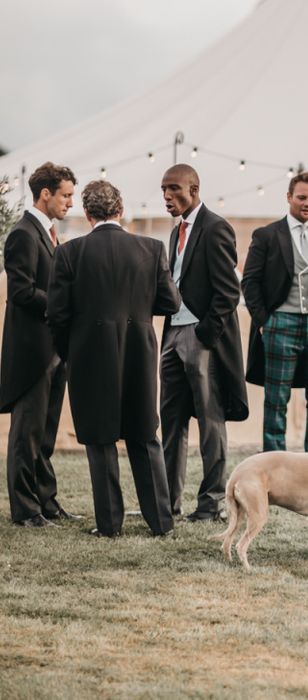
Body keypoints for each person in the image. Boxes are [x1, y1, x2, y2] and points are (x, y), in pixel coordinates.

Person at [47, 180, 180, 537]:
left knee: (101, 439)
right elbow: (172, 304)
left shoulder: (69, 253)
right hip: (140, 352)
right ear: (120, 210)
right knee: (144, 434)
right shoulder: (151, 249)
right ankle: (161, 522)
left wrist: (69, 350)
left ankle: (109, 525)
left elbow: (57, 314)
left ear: (87, 214)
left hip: (89, 356)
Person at [160, 164, 249, 523]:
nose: (167, 196)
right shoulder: (175, 231)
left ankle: (210, 504)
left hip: (202, 339)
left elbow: (229, 292)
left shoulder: (216, 228)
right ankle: (167, 502)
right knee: (171, 422)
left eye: (173, 189)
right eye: (163, 189)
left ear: (193, 189)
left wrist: (203, 334)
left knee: (210, 423)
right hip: (171, 336)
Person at [241, 172, 308, 452]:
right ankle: (275, 465)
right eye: (302, 197)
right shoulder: (266, 235)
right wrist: (265, 321)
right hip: (281, 322)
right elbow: (249, 282)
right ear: (289, 197)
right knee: (276, 401)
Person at [0, 162, 79, 527]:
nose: (70, 203)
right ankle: (25, 509)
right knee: (25, 436)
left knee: (45, 434)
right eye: (65, 195)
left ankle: (46, 501)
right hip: (31, 353)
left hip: (54, 349)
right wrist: (62, 303)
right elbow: (20, 291)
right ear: (44, 194)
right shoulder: (22, 234)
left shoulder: (48, 233)